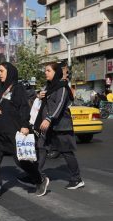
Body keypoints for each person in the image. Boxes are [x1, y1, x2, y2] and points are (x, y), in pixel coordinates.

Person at [0, 62, 49, 201]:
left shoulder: (17, 88)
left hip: (13, 130)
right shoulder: (0, 89)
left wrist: (24, 125)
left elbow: (24, 107)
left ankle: (40, 180)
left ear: (9, 72)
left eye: (1, 71)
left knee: (20, 161)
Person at [32, 62, 85, 190]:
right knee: (41, 147)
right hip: (48, 125)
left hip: (61, 125)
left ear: (56, 72)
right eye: (45, 70)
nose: (45, 73)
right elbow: (44, 100)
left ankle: (77, 179)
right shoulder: (49, 86)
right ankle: (35, 174)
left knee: (66, 152)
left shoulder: (62, 86)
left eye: (48, 70)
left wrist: (49, 118)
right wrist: (39, 95)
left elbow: (60, 105)